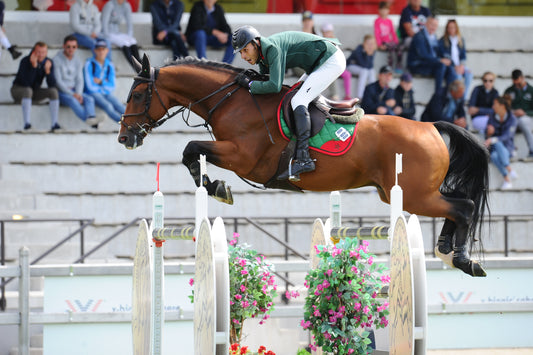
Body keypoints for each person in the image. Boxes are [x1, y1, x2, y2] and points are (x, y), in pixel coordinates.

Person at [232, 25, 346, 180]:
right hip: (317, 63)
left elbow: (274, 86)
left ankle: (304, 158)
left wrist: (250, 85)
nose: (243, 57)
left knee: (299, 100)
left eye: (245, 50)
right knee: (292, 96)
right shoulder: (262, 55)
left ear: (256, 43)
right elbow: (264, 82)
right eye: (240, 53)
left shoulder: (272, 49)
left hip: (331, 60)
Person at [53, 35, 102, 128]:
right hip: (61, 92)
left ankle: (92, 118)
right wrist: (73, 94)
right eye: (68, 47)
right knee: (72, 100)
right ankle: (92, 122)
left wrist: (78, 93)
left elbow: (79, 79)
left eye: (74, 47)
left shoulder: (77, 61)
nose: (71, 49)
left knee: (89, 99)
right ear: (64, 46)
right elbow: (58, 82)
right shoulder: (56, 60)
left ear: (77, 47)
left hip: (75, 91)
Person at [10, 41, 59, 131]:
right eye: (38, 52)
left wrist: (48, 72)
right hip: (18, 90)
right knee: (28, 90)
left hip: (34, 91)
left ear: (46, 53)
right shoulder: (25, 61)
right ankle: (27, 124)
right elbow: (26, 83)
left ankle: (54, 124)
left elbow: (52, 85)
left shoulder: (48, 62)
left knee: (53, 92)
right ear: (33, 52)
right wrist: (34, 67)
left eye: (43, 52)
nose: (40, 55)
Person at [407, 16, 455, 93]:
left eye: (435, 25)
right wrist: (440, 60)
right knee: (441, 65)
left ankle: (450, 95)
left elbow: (439, 53)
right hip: (418, 65)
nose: (433, 27)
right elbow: (424, 56)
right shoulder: (419, 36)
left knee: (450, 68)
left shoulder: (434, 37)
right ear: (426, 24)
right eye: (431, 24)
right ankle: (438, 94)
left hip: (430, 64)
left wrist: (447, 60)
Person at [84, 39, 125, 124]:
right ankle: (125, 124)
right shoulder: (89, 63)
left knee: (119, 105)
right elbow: (89, 85)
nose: (101, 52)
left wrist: (101, 82)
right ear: (95, 51)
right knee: (108, 106)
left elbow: (112, 85)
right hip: (93, 93)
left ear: (107, 51)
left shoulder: (110, 65)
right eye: (99, 50)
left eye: (103, 49)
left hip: (106, 92)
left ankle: (135, 121)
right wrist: (105, 85)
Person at [485, 96, 518, 190]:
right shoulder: (492, 117)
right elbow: (487, 137)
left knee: (497, 142)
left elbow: (507, 136)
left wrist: (492, 139)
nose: (492, 107)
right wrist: (489, 133)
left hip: (508, 149)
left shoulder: (512, 119)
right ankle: (508, 178)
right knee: (494, 156)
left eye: (494, 104)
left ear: (502, 106)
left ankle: (509, 171)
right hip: (496, 150)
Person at [438, 19, 473, 100]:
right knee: (458, 76)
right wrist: (455, 66)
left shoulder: (460, 40)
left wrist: (461, 65)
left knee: (469, 73)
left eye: (453, 27)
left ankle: (464, 96)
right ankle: (458, 97)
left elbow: (463, 55)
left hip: (460, 65)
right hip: (451, 66)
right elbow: (444, 56)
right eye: (449, 27)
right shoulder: (443, 41)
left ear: (456, 28)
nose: (451, 29)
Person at [101, 0, 141, 69]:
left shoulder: (126, 5)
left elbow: (129, 22)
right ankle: (135, 67)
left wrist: (129, 36)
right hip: (107, 33)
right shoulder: (110, 4)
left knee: (132, 40)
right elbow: (104, 22)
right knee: (124, 42)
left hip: (117, 32)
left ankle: (140, 64)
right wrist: (106, 36)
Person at [503, 69, 533, 159]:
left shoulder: (531, 91)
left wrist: (525, 112)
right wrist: (512, 112)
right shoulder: (509, 90)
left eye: (518, 82)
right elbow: (504, 107)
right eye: (514, 82)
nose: (516, 84)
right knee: (511, 121)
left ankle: (532, 149)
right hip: (513, 117)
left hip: (528, 118)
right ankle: (510, 150)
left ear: (523, 78)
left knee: (522, 121)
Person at [342, 34, 377, 100]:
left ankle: (373, 94)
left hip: (363, 68)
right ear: (364, 43)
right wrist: (367, 54)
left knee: (372, 71)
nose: (370, 45)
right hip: (351, 66)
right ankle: (360, 96)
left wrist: (369, 54)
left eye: (372, 43)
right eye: (368, 44)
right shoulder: (359, 49)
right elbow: (363, 64)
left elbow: (370, 65)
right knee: (364, 71)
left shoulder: (373, 50)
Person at [374, 1, 403, 73]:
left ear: (388, 11)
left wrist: (396, 41)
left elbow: (393, 32)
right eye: (382, 9)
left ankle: (398, 65)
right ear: (379, 10)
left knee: (399, 47)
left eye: (386, 9)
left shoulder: (389, 21)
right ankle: (390, 66)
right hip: (383, 43)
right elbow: (377, 34)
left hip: (390, 42)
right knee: (392, 48)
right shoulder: (377, 21)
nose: (384, 11)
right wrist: (379, 45)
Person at [468, 71, 499, 136]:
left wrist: (478, 110)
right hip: (477, 119)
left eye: (490, 81)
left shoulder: (495, 92)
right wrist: (487, 112)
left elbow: (495, 110)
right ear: (482, 81)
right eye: (485, 80)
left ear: (494, 81)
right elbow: (471, 110)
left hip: (490, 119)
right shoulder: (477, 89)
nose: (488, 83)